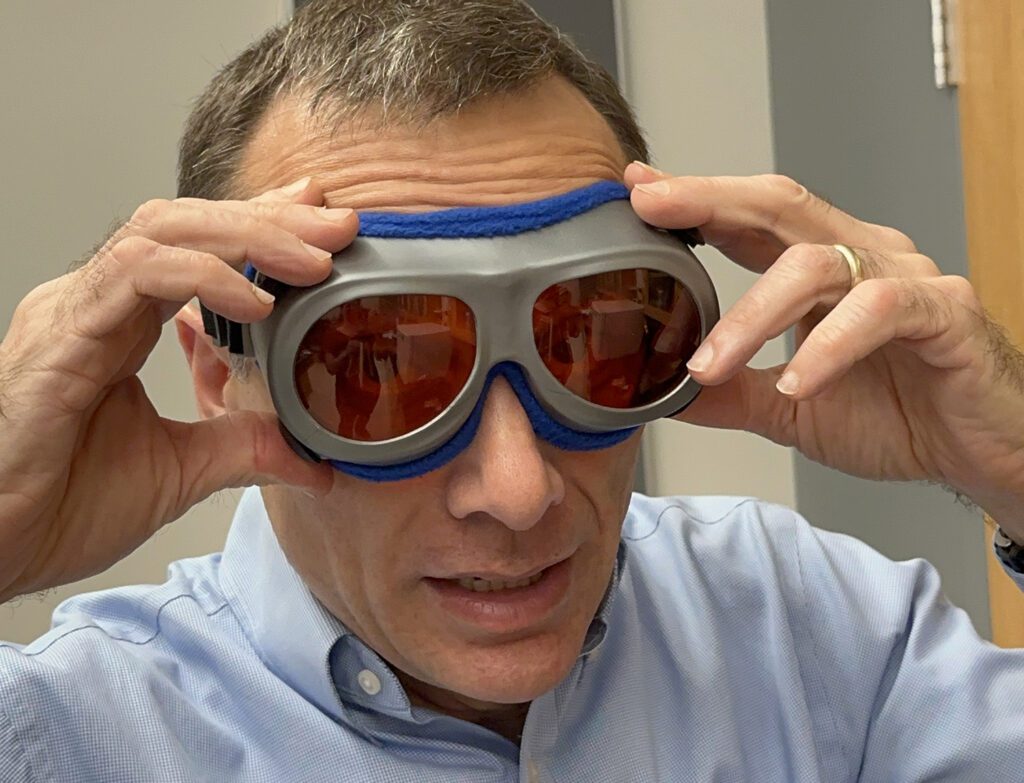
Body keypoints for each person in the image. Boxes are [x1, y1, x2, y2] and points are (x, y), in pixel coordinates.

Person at [2, 1, 1024, 780]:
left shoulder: (807, 632)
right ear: (220, 370)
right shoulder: (69, 735)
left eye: (599, 344)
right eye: (381, 372)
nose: (517, 489)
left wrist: (1015, 467)